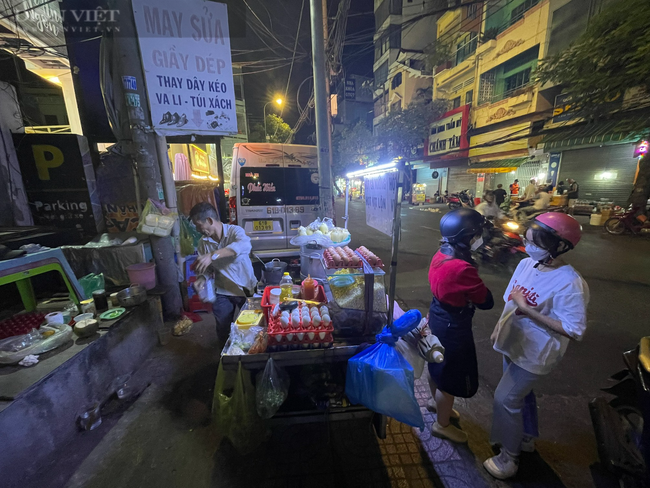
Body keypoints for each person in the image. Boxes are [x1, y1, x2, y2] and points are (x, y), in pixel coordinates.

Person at [483, 213, 589, 479]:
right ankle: (525, 439)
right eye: (527, 238)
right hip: (513, 342)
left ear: (558, 246)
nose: (528, 245)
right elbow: (511, 299)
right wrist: (499, 327)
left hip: (535, 353)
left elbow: (573, 330)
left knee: (505, 399)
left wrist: (527, 311)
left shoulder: (570, 283)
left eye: (535, 242)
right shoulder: (527, 264)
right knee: (522, 396)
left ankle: (509, 458)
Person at [426, 208, 494, 443]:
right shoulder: (462, 267)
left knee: (435, 364)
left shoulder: (441, 253)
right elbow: (485, 301)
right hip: (453, 325)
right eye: (476, 235)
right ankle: (442, 425)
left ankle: (435, 403)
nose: (479, 239)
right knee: (450, 378)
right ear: (465, 237)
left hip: (437, 314)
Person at [190, 202, 258, 345]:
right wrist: (202, 278)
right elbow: (207, 269)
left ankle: (251, 356)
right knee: (223, 328)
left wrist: (213, 255)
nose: (197, 229)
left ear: (209, 220)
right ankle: (225, 357)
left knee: (252, 327)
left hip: (245, 289)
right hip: (222, 291)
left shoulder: (234, 232)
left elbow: (243, 246)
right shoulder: (203, 243)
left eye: (198, 225)